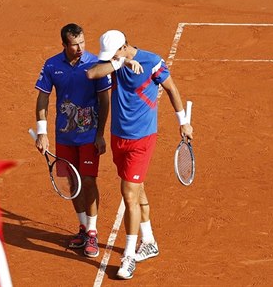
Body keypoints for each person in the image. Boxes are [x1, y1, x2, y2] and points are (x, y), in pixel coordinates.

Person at [86, 30, 194, 280]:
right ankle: (149, 241)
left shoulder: (151, 61)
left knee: (129, 194)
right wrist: (119, 61)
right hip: (118, 137)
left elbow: (171, 89)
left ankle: (129, 256)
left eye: (114, 54)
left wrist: (183, 122)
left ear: (124, 46)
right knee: (137, 188)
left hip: (142, 138)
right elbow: (92, 73)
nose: (109, 59)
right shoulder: (114, 61)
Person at [33, 23, 111, 258]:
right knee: (73, 183)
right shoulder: (51, 65)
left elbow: (104, 101)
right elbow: (43, 99)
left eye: (83, 43)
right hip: (65, 135)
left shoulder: (96, 64)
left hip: (89, 136)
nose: (80, 48)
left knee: (88, 181)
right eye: (75, 44)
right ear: (65, 45)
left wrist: (99, 134)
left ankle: (93, 232)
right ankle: (83, 228)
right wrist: (42, 131)